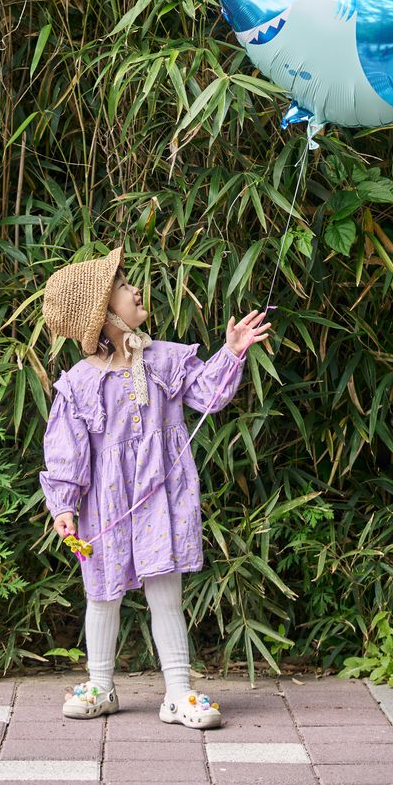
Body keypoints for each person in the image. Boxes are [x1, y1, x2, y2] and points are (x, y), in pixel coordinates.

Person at [39, 243, 271, 728]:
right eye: (123, 287)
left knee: (166, 589)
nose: (135, 288)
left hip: (161, 497)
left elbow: (208, 395)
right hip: (104, 505)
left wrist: (231, 352)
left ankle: (178, 692)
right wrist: (63, 503)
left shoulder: (165, 359)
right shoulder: (81, 383)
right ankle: (100, 684)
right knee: (102, 593)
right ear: (104, 316)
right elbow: (67, 450)